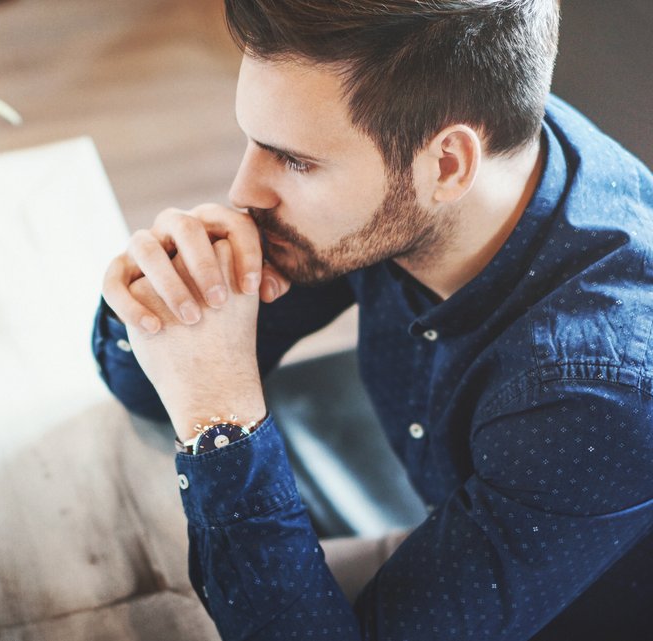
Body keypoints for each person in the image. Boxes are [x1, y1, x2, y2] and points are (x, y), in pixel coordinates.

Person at [91, 0, 653, 639]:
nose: (244, 190)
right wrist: (161, 285)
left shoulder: (600, 395)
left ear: (447, 164)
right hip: (458, 539)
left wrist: (218, 411)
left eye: (294, 160)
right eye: (253, 140)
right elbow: (140, 389)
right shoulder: (445, 149)